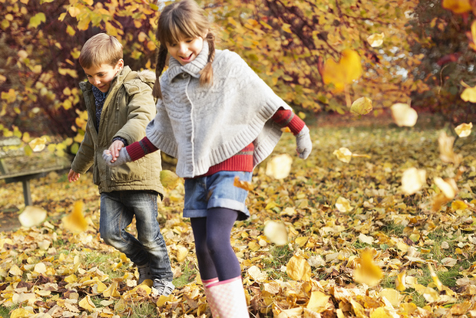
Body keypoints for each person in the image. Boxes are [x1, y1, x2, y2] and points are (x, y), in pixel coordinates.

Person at [103, 0, 312, 316]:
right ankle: (222, 312)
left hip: (233, 164)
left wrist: (299, 129)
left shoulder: (228, 64)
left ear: (203, 33)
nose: (183, 49)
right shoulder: (169, 84)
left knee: (216, 239)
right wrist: (124, 154)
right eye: (173, 43)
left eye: (189, 40)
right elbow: (160, 133)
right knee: (201, 248)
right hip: (196, 171)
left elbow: (266, 100)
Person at [68, 33, 174, 296]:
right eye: (90, 76)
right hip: (109, 179)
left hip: (138, 174)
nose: (95, 81)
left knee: (149, 234)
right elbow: (91, 137)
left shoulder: (136, 86)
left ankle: (163, 278)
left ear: (118, 65)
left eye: (100, 74)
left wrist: (120, 139)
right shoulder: (93, 95)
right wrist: (78, 166)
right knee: (110, 232)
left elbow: (143, 117)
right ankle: (144, 264)